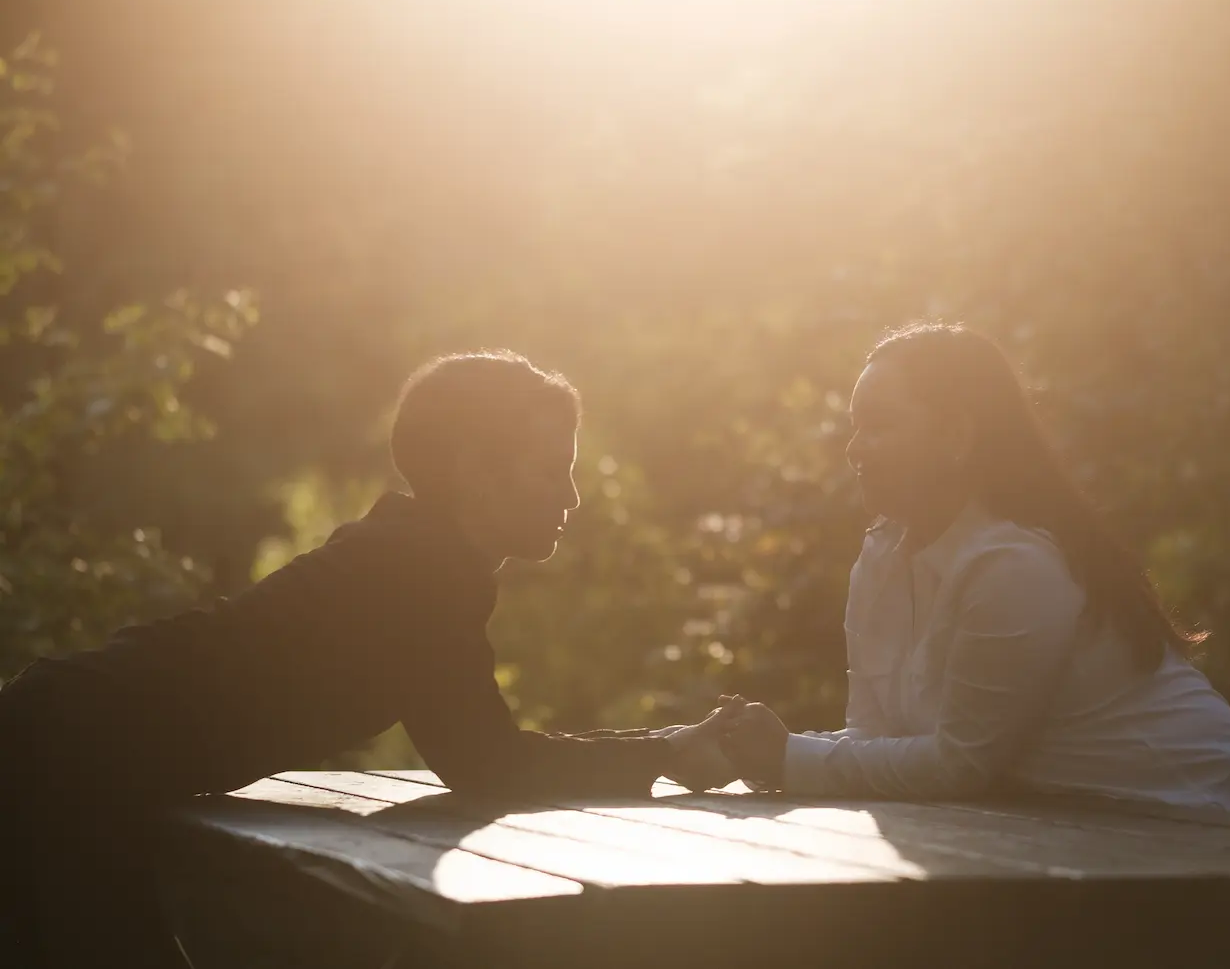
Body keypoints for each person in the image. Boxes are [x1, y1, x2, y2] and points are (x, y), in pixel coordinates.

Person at [0, 350, 733, 968]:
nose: (572, 496)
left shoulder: (405, 552)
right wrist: (667, 751)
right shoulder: (420, 573)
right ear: (472, 468)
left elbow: (480, 756)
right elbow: (489, 763)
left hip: (67, 744)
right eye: (549, 470)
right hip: (68, 758)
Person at [712, 323, 1230, 815]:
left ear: (957, 437)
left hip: (1217, 823)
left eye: (880, 425)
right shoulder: (882, 557)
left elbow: (960, 765)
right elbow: (878, 740)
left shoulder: (1012, 562)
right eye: (855, 427)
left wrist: (787, 755)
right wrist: (744, 748)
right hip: (1088, 827)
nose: (855, 449)